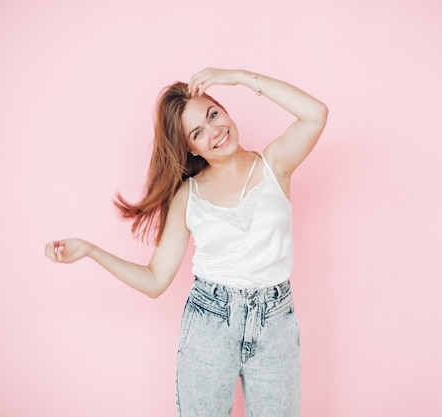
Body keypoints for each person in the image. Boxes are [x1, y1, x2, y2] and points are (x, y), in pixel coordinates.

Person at [44, 67, 328, 417]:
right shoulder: (187, 197)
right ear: (190, 148)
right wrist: (90, 251)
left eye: (213, 114)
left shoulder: (275, 165)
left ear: (224, 109)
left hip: (275, 322)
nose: (215, 131)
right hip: (209, 322)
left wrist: (238, 77)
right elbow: (155, 280)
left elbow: (316, 114)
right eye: (198, 132)